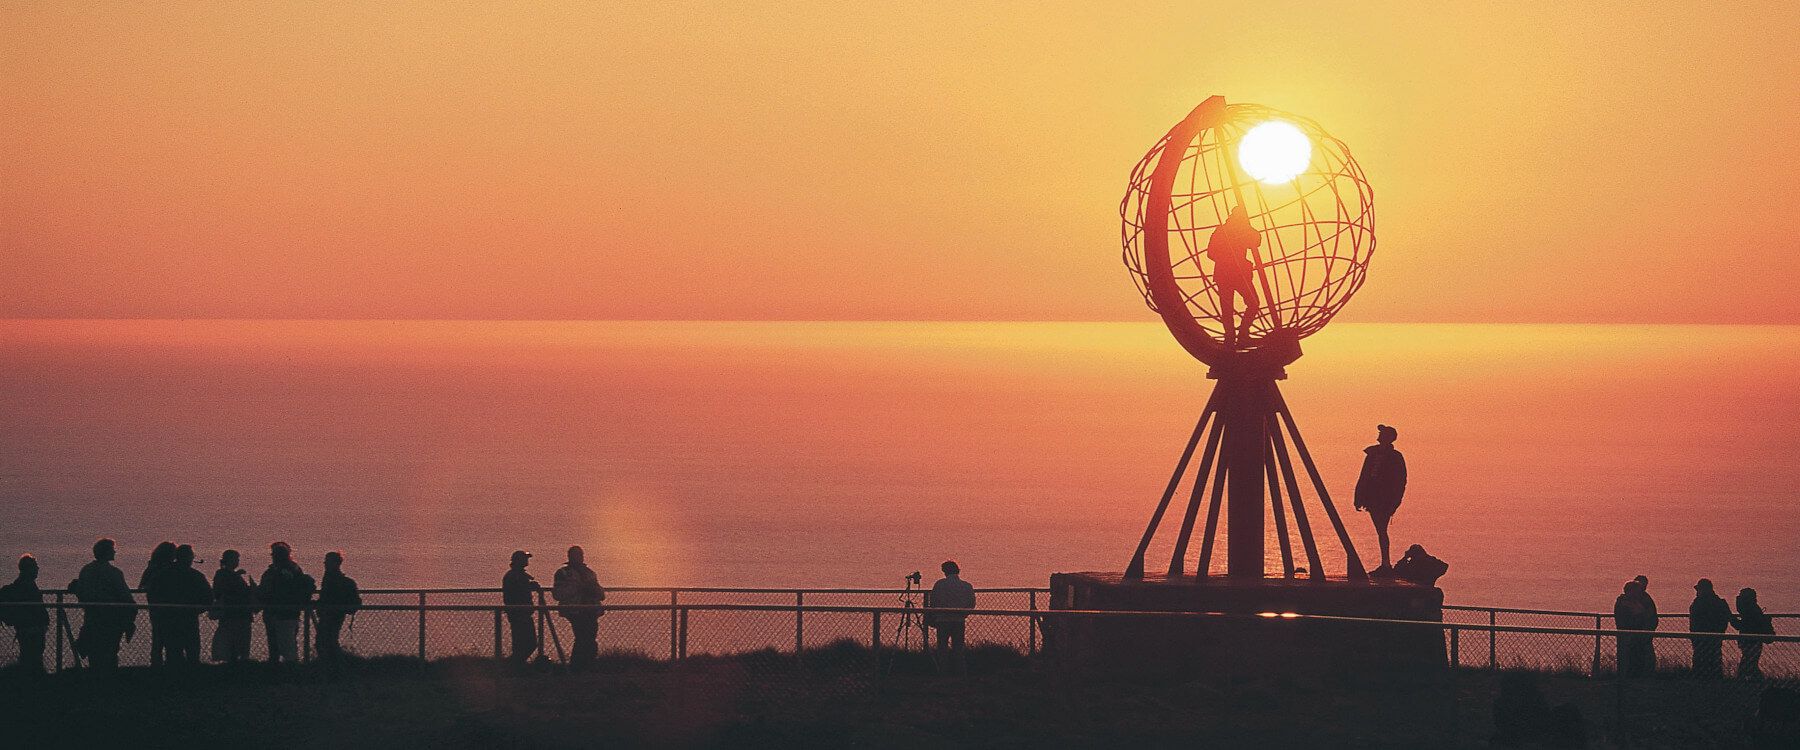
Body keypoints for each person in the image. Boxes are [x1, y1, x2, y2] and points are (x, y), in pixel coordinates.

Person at [72, 538, 135, 670]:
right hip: (111, 622)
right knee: (110, 655)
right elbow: (125, 597)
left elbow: (81, 592)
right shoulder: (114, 573)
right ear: (107, 552)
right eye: (112, 549)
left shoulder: (86, 570)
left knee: (95, 657)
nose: (115, 551)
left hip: (91, 620)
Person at [1205, 205, 1263, 348]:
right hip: (1232, 274)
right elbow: (1211, 253)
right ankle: (1235, 337)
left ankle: (1237, 336)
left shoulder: (1238, 231)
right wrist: (1229, 259)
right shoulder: (1224, 231)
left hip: (1233, 274)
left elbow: (1256, 241)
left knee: (1248, 304)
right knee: (1247, 304)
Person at [1353, 424, 1408, 574]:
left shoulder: (1395, 457)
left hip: (1385, 500)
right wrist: (1358, 497)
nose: (1379, 435)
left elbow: (1400, 481)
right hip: (1372, 498)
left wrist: (1395, 502)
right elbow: (1363, 476)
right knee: (1381, 530)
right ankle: (1385, 563)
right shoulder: (1372, 454)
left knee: (1382, 530)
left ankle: (1385, 564)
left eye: (1382, 433)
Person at [255, 542, 315, 664]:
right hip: (287, 613)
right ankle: (286, 672)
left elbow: (272, 591)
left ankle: (286, 672)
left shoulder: (281, 572)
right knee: (286, 645)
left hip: (281, 614)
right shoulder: (294, 570)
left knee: (283, 647)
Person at [155, 544, 211, 665]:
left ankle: (174, 679)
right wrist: (197, 609)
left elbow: (156, 594)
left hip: (169, 619)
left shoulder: (164, 574)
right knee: (192, 652)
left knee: (173, 652)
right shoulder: (196, 576)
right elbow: (208, 597)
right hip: (189, 618)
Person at [552, 545, 605, 669]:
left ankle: (587, 665)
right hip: (575, 611)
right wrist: (578, 588)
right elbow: (558, 594)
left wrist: (593, 590)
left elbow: (600, 593)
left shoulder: (590, 573)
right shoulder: (563, 573)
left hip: (591, 609)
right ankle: (577, 666)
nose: (579, 557)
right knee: (582, 637)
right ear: (570, 557)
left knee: (590, 638)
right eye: (576, 555)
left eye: (580, 555)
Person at [925, 560, 976, 675]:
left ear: (944, 571)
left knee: (942, 648)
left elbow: (933, 602)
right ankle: (960, 673)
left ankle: (943, 672)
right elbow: (971, 603)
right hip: (959, 620)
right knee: (958, 649)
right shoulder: (967, 586)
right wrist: (963, 614)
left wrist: (936, 615)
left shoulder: (939, 584)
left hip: (942, 620)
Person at [0, 554, 49, 673]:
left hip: (28, 629)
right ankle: (32, 684)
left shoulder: (22, 584)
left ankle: (28, 682)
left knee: (28, 657)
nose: (38, 569)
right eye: (35, 566)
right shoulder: (26, 586)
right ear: (29, 569)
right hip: (31, 630)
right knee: (32, 659)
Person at [210, 549, 256, 664]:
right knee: (232, 645)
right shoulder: (222, 574)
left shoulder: (230, 575)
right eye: (236, 559)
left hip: (240, 615)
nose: (237, 561)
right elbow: (224, 590)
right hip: (232, 615)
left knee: (240, 645)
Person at [315, 551, 361, 660]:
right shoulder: (329, 577)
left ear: (335, 563)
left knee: (326, 640)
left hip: (333, 613)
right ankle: (332, 663)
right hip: (330, 613)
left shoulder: (332, 578)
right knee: (326, 640)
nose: (325, 563)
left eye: (327, 561)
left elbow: (329, 597)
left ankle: (333, 663)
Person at [139, 541, 178, 666]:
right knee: (167, 641)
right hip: (168, 609)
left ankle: (157, 666)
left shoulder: (152, 568)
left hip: (156, 609)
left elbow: (141, 587)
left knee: (158, 639)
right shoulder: (164, 569)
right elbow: (142, 586)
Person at [502, 550, 541, 664]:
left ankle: (516, 665)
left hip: (522, 613)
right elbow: (517, 592)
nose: (526, 560)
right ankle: (514, 665)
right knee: (528, 643)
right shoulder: (514, 576)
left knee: (524, 643)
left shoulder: (517, 575)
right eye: (524, 558)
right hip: (519, 614)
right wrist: (529, 586)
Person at [1688, 578, 1732, 678]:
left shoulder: (1698, 603)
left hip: (1700, 638)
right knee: (1714, 659)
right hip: (1714, 637)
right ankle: (1714, 679)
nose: (1697, 592)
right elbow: (1727, 618)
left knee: (1700, 660)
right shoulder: (1719, 603)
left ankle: (1700, 679)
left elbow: (1695, 621)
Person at [1613, 579, 1656, 677]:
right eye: (1637, 591)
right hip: (1630, 636)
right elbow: (1631, 619)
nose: (1639, 593)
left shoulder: (1634, 602)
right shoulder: (1625, 603)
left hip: (1637, 636)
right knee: (1630, 659)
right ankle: (1630, 677)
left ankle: (1636, 676)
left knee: (1638, 658)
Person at [1733, 588, 1774, 680]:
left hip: (1752, 641)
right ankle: (1758, 683)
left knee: (1748, 664)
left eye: (1740, 597)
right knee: (1750, 664)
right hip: (1752, 641)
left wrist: (1730, 618)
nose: (1738, 599)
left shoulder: (1750, 610)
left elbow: (1741, 625)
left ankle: (1756, 683)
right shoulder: (1751, 609)